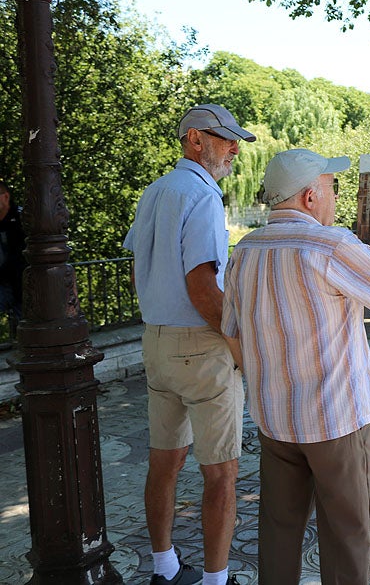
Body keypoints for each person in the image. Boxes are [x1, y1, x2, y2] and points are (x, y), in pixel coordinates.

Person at [221, 148, 370, 585]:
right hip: (338, 418)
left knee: (278, 527)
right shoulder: (329, 244)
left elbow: (232, 332)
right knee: (348, 532)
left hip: (276, 419)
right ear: (310, 196)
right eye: (332, 187)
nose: (334, 196)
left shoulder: (246, 250)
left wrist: (263, 384)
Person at [124, 104, 255, 585]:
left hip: (155, 343)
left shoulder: (155, 191)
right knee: (220, 474)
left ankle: (164, 568)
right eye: (226, 138)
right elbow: (203, 287)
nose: (235, 148)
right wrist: (239, 343)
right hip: (199, 347)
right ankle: (216, 581)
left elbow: (141, 262)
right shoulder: (202, 196)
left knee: (164, 462)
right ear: (195, 140)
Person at [0, 179, 26, 330]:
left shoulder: (22, 218)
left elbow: (20, 255)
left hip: (22, 282)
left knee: (28, 321)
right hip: (3, 283)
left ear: (6, 196)